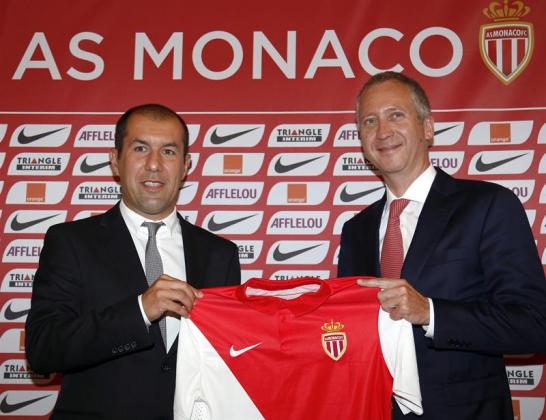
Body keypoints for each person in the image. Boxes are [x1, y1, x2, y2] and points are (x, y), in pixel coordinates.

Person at [338, 71, 546, 419]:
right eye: (369, 121)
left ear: (428, 128)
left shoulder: (489, 205)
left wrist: (429, 312)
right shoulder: (355, 230)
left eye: (396, 115)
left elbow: (534, 325)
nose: (382, 131)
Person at [25, 104, 241, 419]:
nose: (154, 165)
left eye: (168, 151)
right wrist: (139, 310)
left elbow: (228, 358)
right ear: (116, 160)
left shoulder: (219, 254)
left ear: (185, 165)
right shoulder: (70, 242)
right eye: (140, 148)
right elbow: (43, 350)